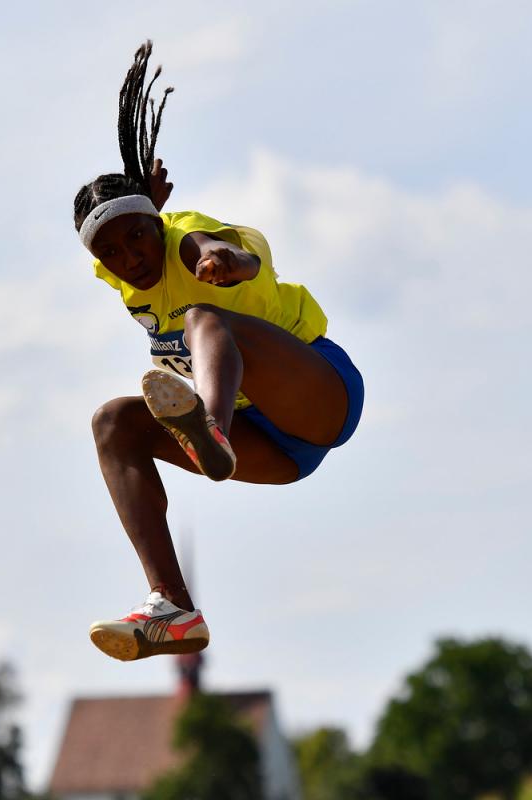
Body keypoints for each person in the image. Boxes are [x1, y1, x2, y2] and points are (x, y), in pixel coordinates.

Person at [73, 41, 364, 661]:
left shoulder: (185, 240)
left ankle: (209, 425)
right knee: (113, 423)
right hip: (270, 448)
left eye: (138, 240)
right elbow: (120, 231)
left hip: (319, 394)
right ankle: (172, 607)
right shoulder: (122, 269)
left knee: (207, 317)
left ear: (159, 225)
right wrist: (140, 203)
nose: (132, 260)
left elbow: (235, 249)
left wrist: (225, 261)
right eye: (113, 253)